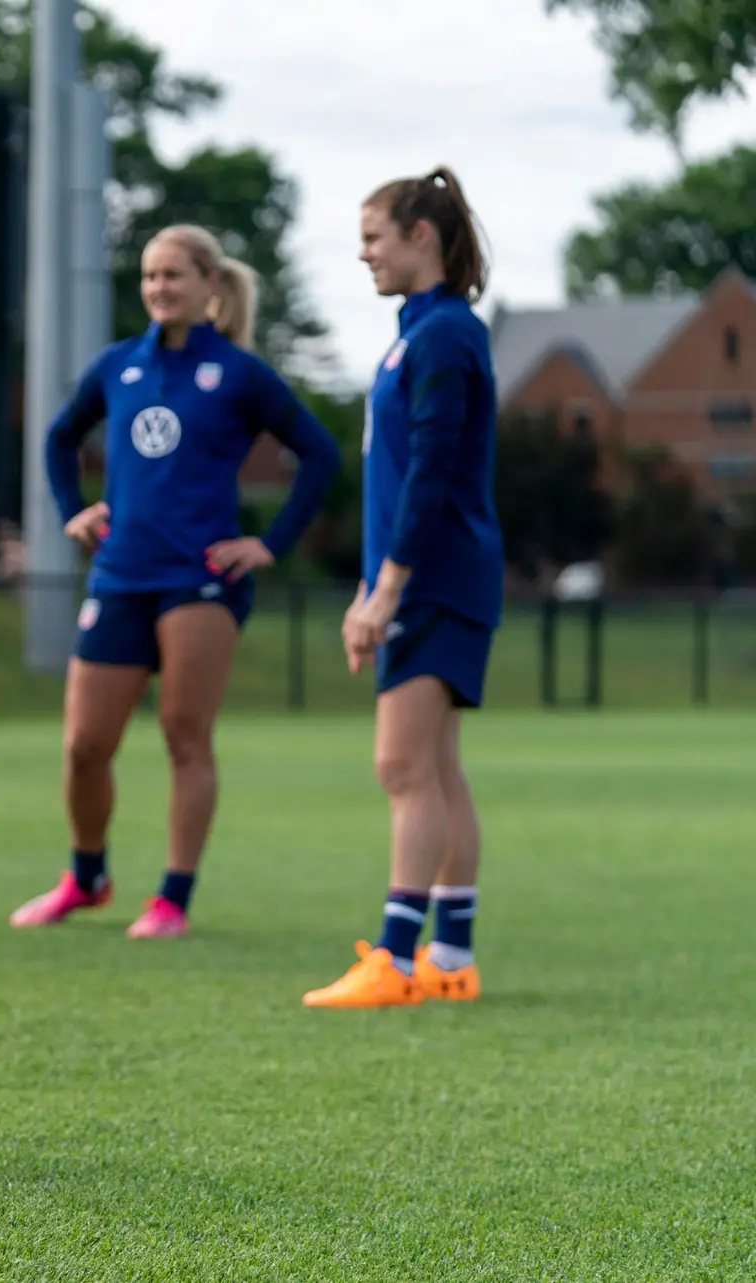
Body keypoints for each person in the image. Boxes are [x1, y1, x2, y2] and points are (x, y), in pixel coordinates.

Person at [10, 224, 341, 938]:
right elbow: (59, 437)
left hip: (201, 578)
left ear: (209, 286)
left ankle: (172, 898)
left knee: (184, 735)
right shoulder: (118, 365)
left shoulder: (240, 373)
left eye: (175, 275)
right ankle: (87, 877)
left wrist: (270, 543)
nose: (160, 287)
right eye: (151, 276)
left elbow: (319, 454)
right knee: (83, 744)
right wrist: (74, 512)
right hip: (121, 572)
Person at [306, 168, 501, 1009]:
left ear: (422, 237)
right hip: (429, 577)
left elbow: (430, 475)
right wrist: (369, 585)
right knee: (437, 767)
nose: (364, 252)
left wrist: (385, 590)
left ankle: (395, 958)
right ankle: (449, 958)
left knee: (401, 765)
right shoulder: (420, 331)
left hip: (436, 579)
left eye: (375, 235)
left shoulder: (446, 334)